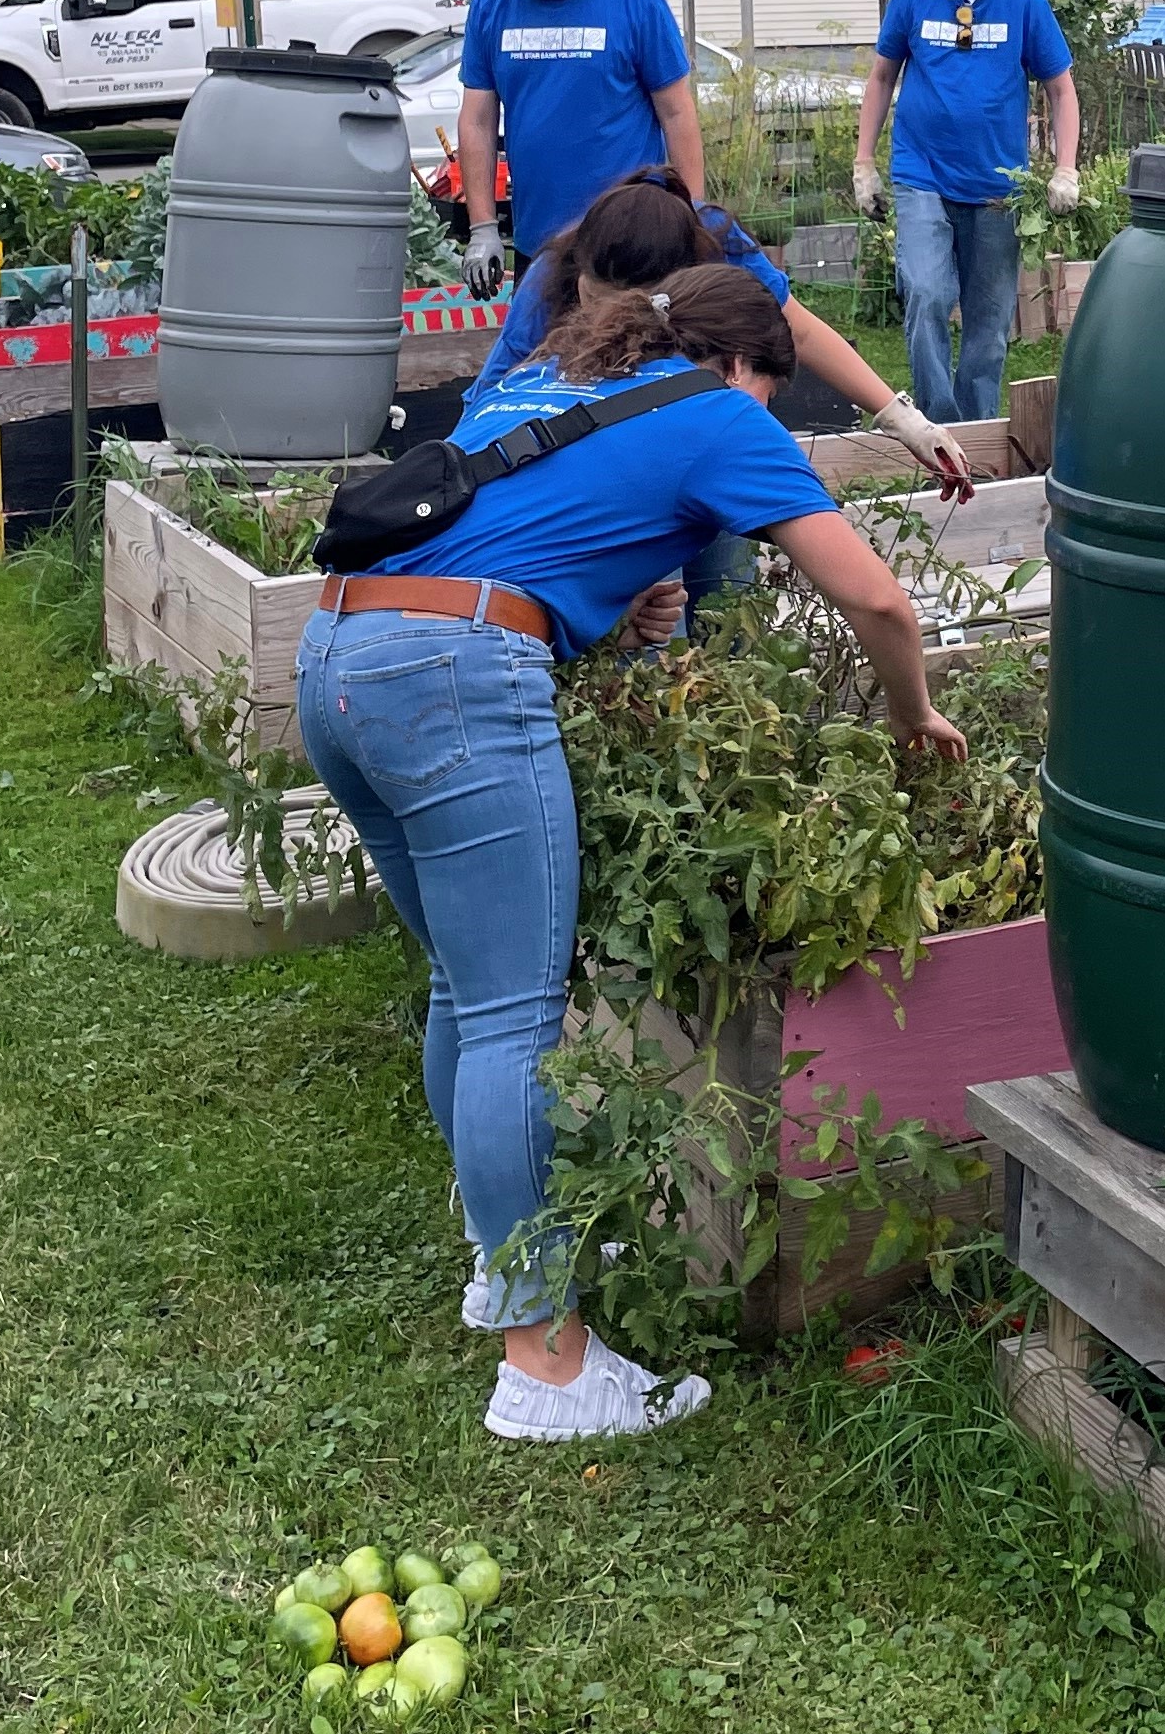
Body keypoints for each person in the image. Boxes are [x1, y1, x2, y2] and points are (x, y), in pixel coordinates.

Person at [297, 260, 969, 1446]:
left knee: (465, 982)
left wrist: (633, 596)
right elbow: (881, 604)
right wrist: (914, 717)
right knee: (515, 1012)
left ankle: (503, 1245)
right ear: (744, 367)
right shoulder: (719, 415)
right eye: (771, 393)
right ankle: (544, 1365)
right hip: (453, 679)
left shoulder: (551, 378)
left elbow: (541, 527)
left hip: (337, 655)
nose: (763, 419)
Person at [475, 162, 979, 533]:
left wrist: (902, 418)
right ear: (579, 272)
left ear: (682, 279)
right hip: (591, 465)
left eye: (624, 308)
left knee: (723, 588)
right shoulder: (551, 275)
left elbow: (798, 330)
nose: (607, 321)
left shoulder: (717, 246)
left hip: (686, 439)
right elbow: (489, 403)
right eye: (596, 300)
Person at [853, 0, 1079, 425]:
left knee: (990, 321)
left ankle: (975, 430)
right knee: (927, 293)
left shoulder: (1025, 2)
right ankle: (935, 425)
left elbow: (1062, 88)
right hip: (920, 174)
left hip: (997, 187)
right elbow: (883, 77)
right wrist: (864, 162)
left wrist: (1066, 168)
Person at [454, 0, 702, 295]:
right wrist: (483, 228)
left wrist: (693, 219)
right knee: (542, 362)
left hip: (631, 245)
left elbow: (677, 113)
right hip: (541, 244)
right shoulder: (489, 8)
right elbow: (476, 121)